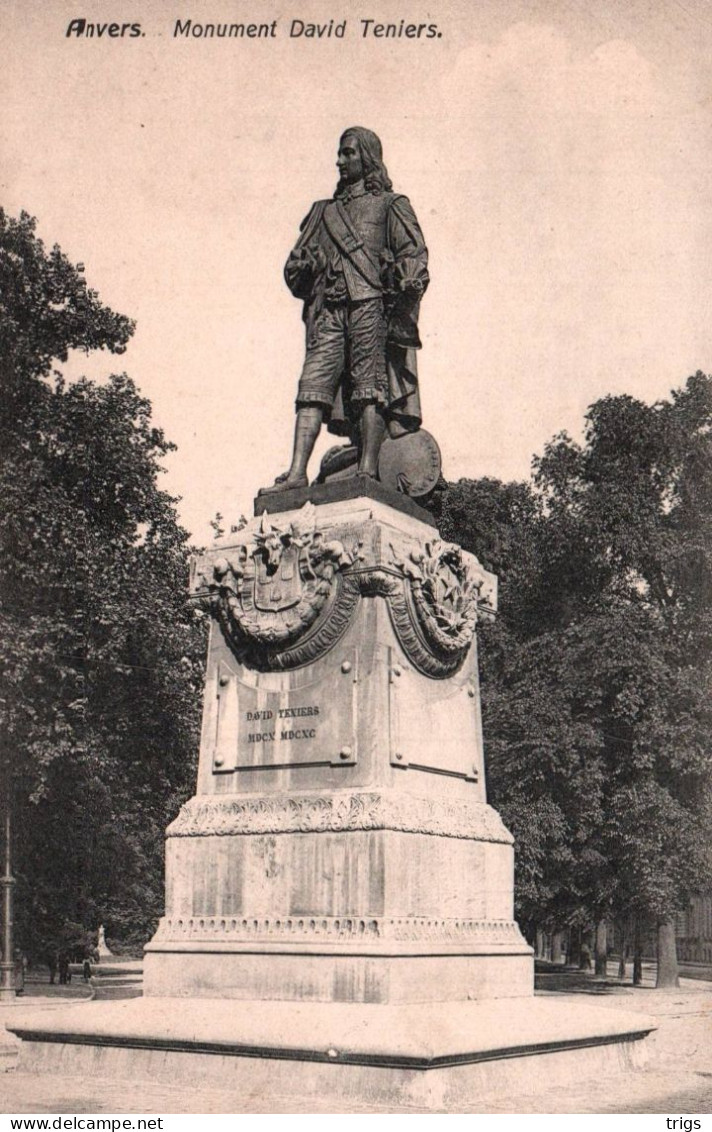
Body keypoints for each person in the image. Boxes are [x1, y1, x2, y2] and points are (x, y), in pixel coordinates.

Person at [261, 126, 429, 492]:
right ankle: (296, 474)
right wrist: (304, 267)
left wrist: (407, 279)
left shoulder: (391, 205)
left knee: (369, 388)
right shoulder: (323, 213)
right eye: (339, 154)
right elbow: (295, 267)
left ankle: (367, 470)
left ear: (367, 157)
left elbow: (412, 253)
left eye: (348, 153)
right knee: (311, 387)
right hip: (330, 312)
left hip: (370, 305)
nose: (340, 161)